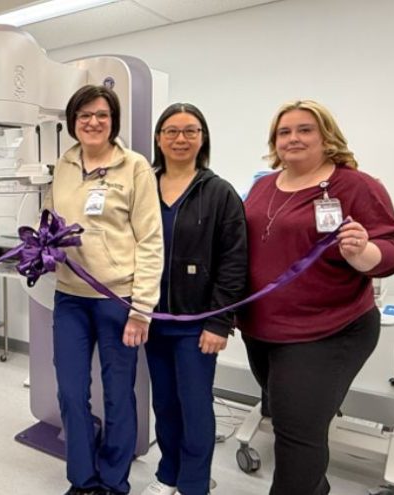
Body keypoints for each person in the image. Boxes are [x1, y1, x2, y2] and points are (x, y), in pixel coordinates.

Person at [240, 100, 394, 495]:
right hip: (264, 330)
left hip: (328, 331)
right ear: (274, 141)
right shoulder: (265, 185)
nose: (293, 138)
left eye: (305, 129)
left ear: (325, 136)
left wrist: (363, 253)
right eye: (285, 132)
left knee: (297, 435)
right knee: (288, 421)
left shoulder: (355, 185)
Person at [43, 84, 164, 495]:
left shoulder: (135, 167)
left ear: (113, 121)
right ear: (73, 122)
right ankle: (82, 479)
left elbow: (150, 239)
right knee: (71, 392)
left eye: (101, 115)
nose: (92, 122)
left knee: (118, 394)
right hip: (70, 298)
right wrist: (42, 247)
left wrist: (142, 308)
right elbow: (55, 221)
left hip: (118, 299)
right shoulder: (64, 164)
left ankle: (114, 482)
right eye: (84, 116)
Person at [141, 103, 247, 495]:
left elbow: (235, 262)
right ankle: (168, 474)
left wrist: (220, 321)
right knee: (165, 405)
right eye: (171, 131)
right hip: (151, 319)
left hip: (197, 325)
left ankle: (193, 484)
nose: (180, 139)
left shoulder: (219, 193)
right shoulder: (144, 186)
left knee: (195, 406)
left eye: (190, 131)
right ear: (158, 138)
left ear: (203, 138)